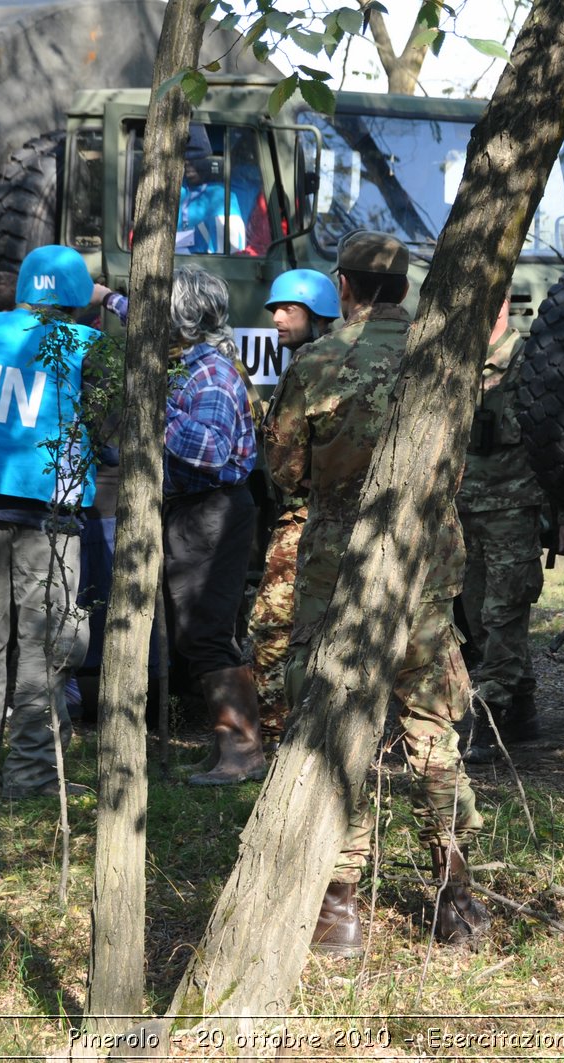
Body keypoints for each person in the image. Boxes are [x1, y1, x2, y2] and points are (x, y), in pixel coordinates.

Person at [266, 230, 489, 953]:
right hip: (426, 560)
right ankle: (457, 895)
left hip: (339, 566)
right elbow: (458, 465)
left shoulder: (319, 361)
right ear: (403, 288)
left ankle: (339, 906)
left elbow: (285, 469)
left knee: (338, 721)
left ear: (344, 286)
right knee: (431, 724)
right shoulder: (444, 362)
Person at [0, 245, 98, 798]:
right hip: (46, 509)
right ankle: (32, 773)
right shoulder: (85, 345)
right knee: (46, 644)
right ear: (79, 295)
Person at [163, 267, 264, 786]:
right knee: (192, 631)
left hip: (214, 509)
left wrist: (152, 406)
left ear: (180, 316)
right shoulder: (188, 365)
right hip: (194, 510)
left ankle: (243, 753)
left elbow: (208, 450)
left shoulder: (211, 376)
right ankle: (229, 748)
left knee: (207, 630)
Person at [248, 268, 340, 744]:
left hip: (307, 515)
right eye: (275, 310)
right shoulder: (315, 361)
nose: (278, 318)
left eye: (290, 309)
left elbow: (287, 466)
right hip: (309, 514)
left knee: (272, 624)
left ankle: (275, 731)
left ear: (318, 315)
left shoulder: (315, 366)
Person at [457, 292, 546, 763]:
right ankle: (523, 707)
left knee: (504, 614)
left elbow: (556, 434)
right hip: (464, 507)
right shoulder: (456, 362)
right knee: (476, 616)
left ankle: (489, 720)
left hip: (512, 507)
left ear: (506, 305)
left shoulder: (531, 362)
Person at [177, 125, 247, 255]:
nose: (187, 164)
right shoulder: (174, 191)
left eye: (194, 159)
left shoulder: (222, 197)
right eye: (184, 159)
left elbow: (230, 251)